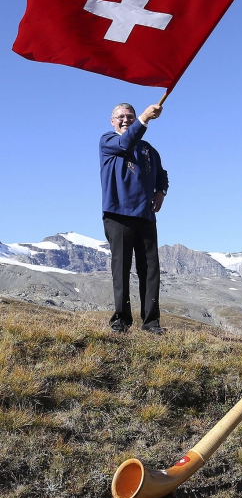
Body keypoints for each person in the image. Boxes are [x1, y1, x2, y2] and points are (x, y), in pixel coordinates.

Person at [100, 102, 169, 334]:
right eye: (121, 116)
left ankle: (151, 323)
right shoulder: (109, 141)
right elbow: (125, 142)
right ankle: (121, 320)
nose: (126, 119)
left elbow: (162, 173)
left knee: (150, 270)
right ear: (112, 121)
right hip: (117, 215)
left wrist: (161, 191)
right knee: (121, 268)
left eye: (130, 116)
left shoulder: (149, 149)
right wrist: (144, 118)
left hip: (146, 216)